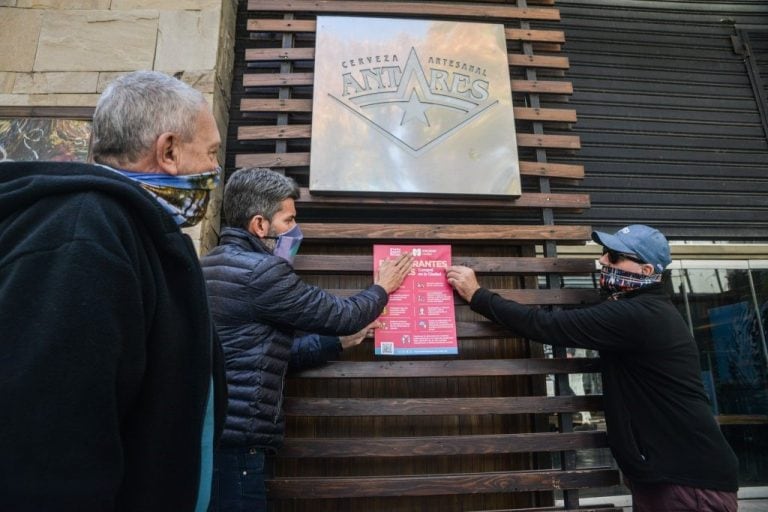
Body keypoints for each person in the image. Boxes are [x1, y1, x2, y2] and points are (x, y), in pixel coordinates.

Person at [0, 70, 227, 511]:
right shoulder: (86, 232)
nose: (215, 170)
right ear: (169, 150)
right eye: (212, 152)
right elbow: (50, 437)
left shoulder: (136, 231)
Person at [446, 224, 739, 512]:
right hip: (671, 476)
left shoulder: (638, 315)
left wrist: (477, 295)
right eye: (604, 252)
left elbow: (546, 325)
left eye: (613, 256)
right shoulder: (643, 308)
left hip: (687, 483)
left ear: (646, 271)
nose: (602, 260)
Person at [201, 167, 413, 512]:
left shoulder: (209, 265)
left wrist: (337, 344)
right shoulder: (262, 272)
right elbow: (343, 315)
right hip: (239, 442)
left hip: (216, 436)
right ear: (259, 225)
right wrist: (382, 287)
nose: (295, 230)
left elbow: (261, 354)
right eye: (288, 220)